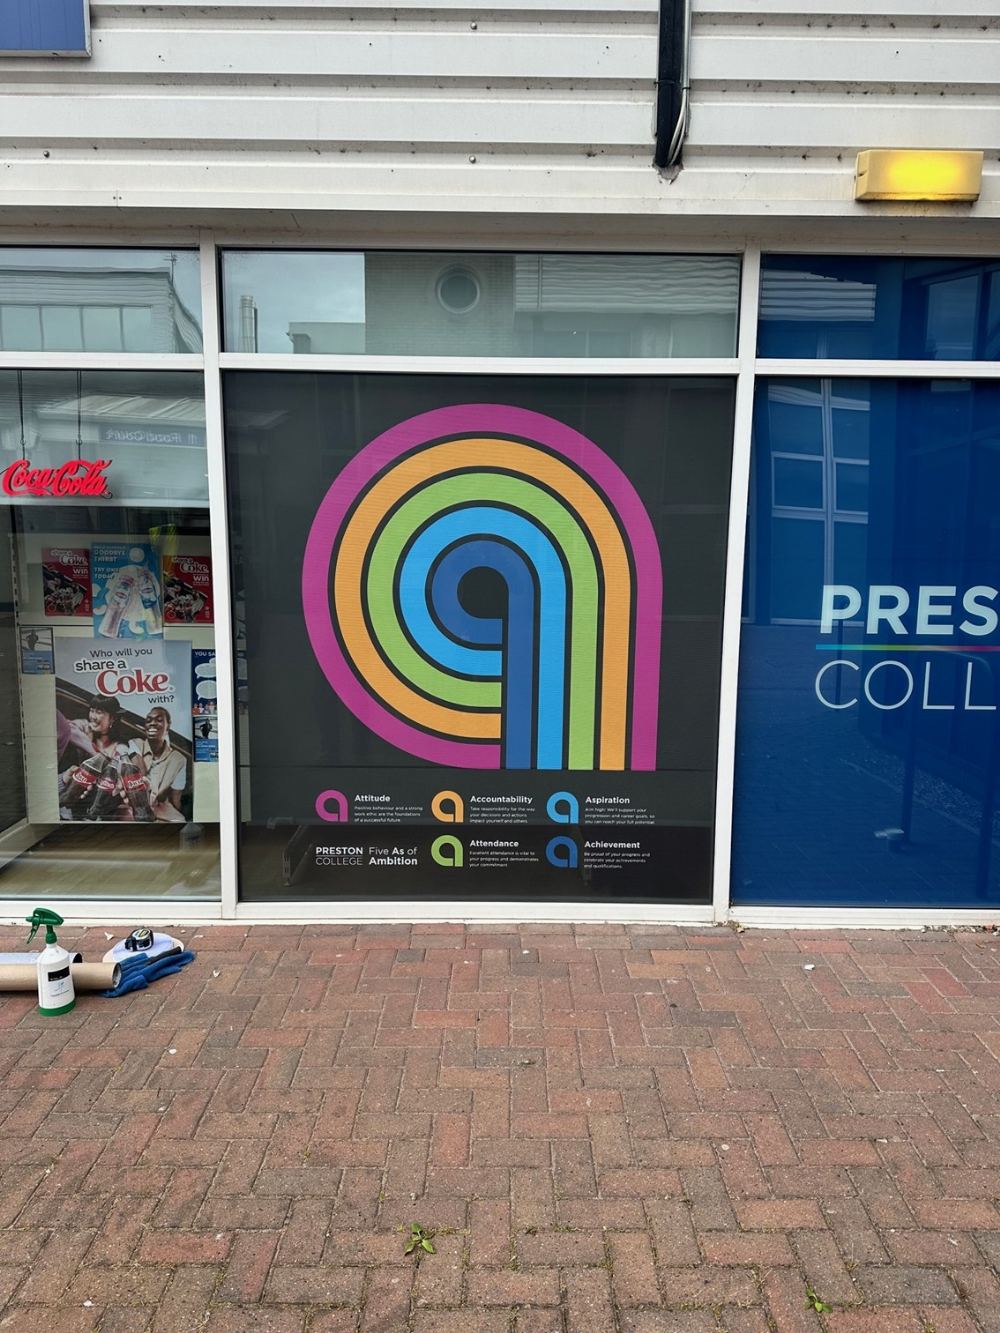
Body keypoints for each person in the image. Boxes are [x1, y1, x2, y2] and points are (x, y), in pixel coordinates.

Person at [130, 706, 187, 822]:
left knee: (180, 821)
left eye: (159, 720)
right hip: (134, 808)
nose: (152, 723)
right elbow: (140, 775)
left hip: (160, 811)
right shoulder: (135, 744)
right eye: (148, 720)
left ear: (168, 726)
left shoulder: (179, 760)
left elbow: (176, 798)